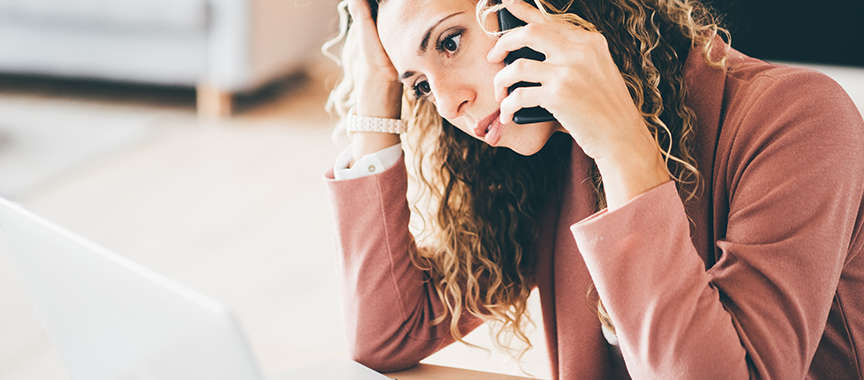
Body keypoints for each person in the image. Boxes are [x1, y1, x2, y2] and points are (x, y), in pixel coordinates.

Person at [321, 0, 864, 378]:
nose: (445, 104)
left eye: (450, 41)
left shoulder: (798, 118)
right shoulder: (541, 154)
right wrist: (373, 95)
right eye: (417, 84)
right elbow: (386, 336)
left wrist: (622, 146)